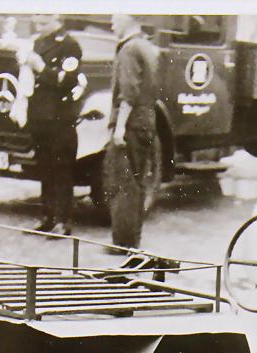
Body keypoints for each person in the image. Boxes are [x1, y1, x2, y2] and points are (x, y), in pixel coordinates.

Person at [20, 14, 85, 236]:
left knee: (61, 169)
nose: (39, 24)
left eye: (44, 20)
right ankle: (47, 217)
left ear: (58, 19)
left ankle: (62, 221)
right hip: (40, 117)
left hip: (60, 118)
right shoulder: (38, 43)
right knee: (44, 167)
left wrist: (40, 67)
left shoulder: (69, 45)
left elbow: (66, 81)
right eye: (37, 19)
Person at [105, 13, 159, 252]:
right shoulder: (147, 47)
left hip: (130, 123)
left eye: (116, 17)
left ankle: (123, 243)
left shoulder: (128, 50)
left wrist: (119, 129)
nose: (111, 22)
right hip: (146, 120)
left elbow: (128, 92)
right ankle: (132, 240)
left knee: (122, 183)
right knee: (137, 182)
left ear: (129, 19)